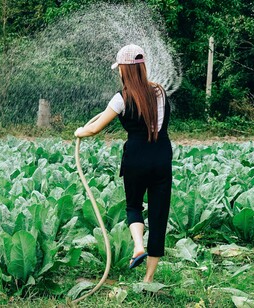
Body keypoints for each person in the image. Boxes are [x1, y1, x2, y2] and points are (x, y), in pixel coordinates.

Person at [74, 44, 172, 283]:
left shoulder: (122, 98)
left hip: (136, 158)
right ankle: (148, 280)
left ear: (125, 71)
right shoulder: (160, 91)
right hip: (161, 157)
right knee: (159, 215)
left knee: (134, 206)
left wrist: (80, 131)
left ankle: (138, 246)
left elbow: (95, 128)